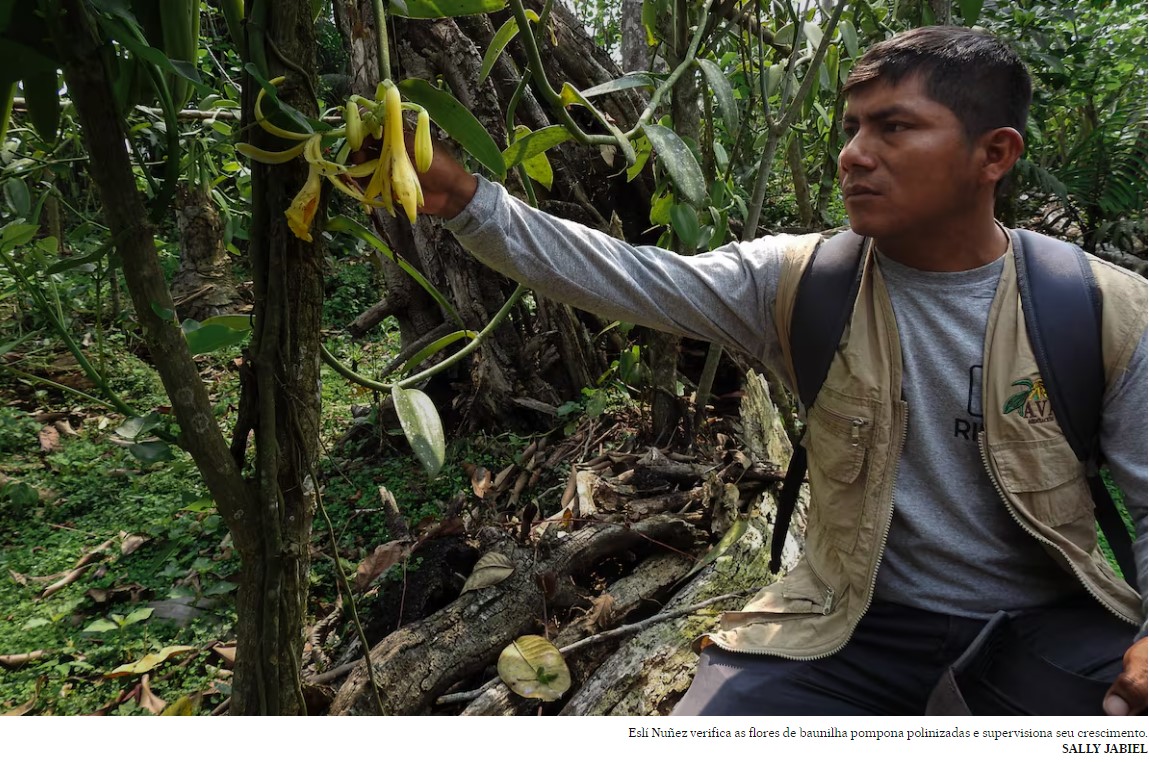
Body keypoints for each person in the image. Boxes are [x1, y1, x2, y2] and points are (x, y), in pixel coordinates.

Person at [408, 26, 1147, 715]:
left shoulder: (1100, 308)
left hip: (1045, 625)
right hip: (846, 625)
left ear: (993, 154)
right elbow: (625, 275)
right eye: (853, 127)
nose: (854, 153)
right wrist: (461, 202)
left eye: (893, 127)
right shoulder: (797, 283)